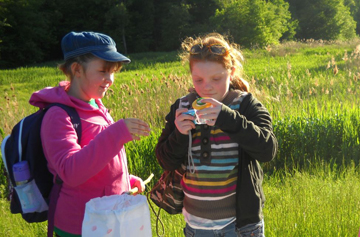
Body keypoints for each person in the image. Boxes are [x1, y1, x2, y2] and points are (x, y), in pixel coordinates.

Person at [155, 33, 278, 237]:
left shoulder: (246, 106)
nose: (207, 87)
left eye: (216, 79)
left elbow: (267, 150)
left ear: (231, 73)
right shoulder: (182, 107)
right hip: (196, 227)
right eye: (198, 80)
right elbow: (165, 161)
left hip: (241, 226)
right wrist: (179, 134)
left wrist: (227, 117)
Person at [29, 31, 151, 236]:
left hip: (108, 220)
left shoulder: (96, 106)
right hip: (80, 226)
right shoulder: (58, 115)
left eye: (113, 72)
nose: (110, 79)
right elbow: (71, 172)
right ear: (77, 69)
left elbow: (98, 162)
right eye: (103, 71)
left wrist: (125, 181)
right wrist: (117, 132)